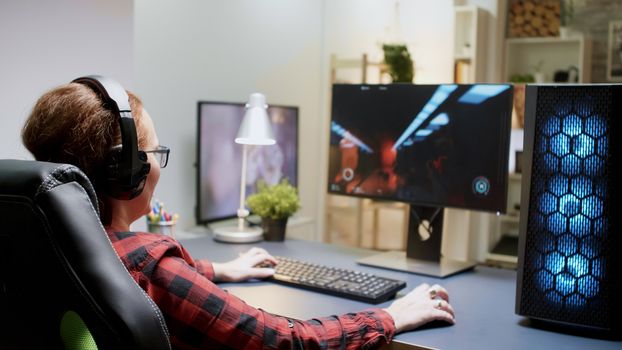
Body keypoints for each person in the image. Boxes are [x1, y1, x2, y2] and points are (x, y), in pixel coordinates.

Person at [21, 77, 455, 349]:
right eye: (153, 152)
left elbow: (136, 277)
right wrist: (390, 316)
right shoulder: (152, 269)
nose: (157, 163)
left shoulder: (42, 244)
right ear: (126, 171)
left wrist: (218, 270)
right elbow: (285, 341)